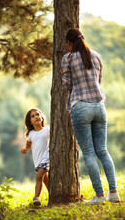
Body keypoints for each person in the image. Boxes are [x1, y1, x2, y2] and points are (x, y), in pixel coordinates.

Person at [61, 28, 120, 204]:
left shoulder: (68, 58)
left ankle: (100, 196)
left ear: (69, 43)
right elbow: (99, 81)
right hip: (99, 106)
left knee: (88, 152)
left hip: (80, 106)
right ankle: (114, 192)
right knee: (103, 150)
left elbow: (66, 84)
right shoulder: (96, 55)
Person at [21, 108, 50, 206]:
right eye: (32, 116)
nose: (36, 117)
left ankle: (36, 197)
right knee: (46, 180)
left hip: (46, 158)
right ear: (30, 121)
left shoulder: (47, 129)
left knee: (39, 177)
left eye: (37, 114)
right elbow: (28, 145)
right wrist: (25, 149)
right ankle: (53, 194)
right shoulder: (31, 134)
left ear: (42, 117)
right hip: (37, 160)